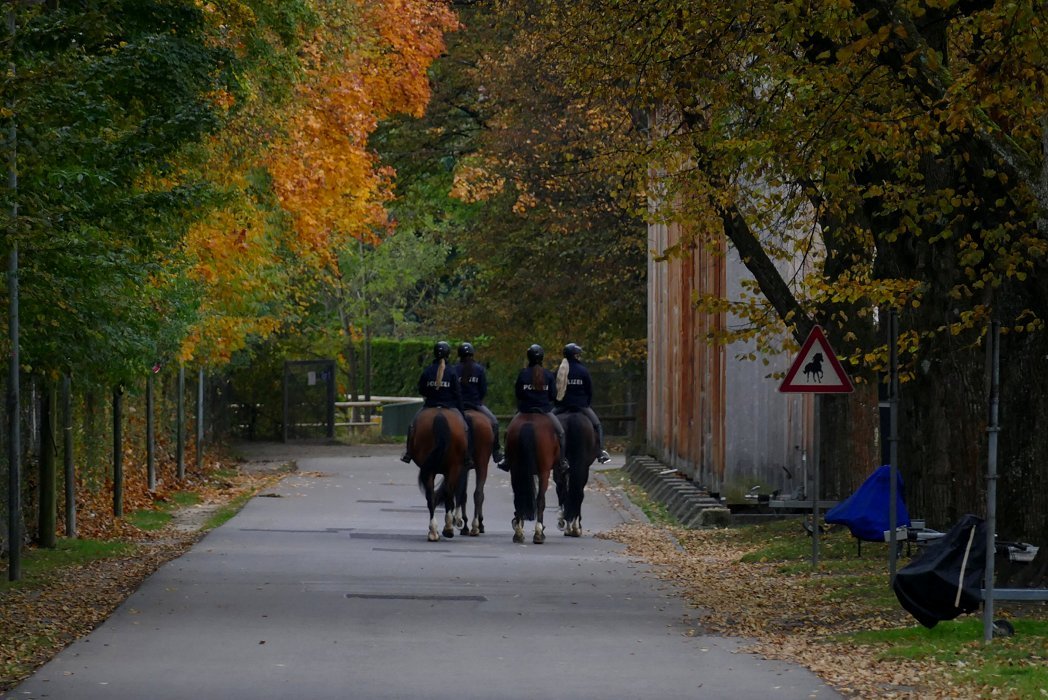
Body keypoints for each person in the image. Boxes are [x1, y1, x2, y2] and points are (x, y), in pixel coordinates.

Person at [497, 344, 568, 473]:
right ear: (542, 358)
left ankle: (506, 460)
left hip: (524, 411)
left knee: (508, 433)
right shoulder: (548, 375)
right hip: (545, 412)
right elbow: (553, 395)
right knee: (561, 433)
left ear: (528, 357)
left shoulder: (523, 374)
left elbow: (518, 394)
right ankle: (562, 461)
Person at [401, 341, 471, 465]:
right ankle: (466, 455)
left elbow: (422, 389)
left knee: (412, 426)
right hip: (449, 406)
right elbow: (457, 393)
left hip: (430, 406)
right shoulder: (452, 371)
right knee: (465, 427)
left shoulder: (427, 371)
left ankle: (408, 453)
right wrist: (461, 411)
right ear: (448, 354)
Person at [554, 343, 611, 463]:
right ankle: (600, 452)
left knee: (548, 423)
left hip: (562, 407)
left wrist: (557, 403)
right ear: (575, 356)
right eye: (578, 355)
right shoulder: (583, 370)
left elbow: (554, 390)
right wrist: (586, 404)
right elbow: (589, 390)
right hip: (581, 406)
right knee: (597, 425)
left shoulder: (559, 371)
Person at [456, 342, 504, 464]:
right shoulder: (479, 369)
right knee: (494, 423)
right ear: (472, 354)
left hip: (457, 406)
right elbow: (483, 390)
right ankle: (496, 452)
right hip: (475, 404)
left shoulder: (453, 369)